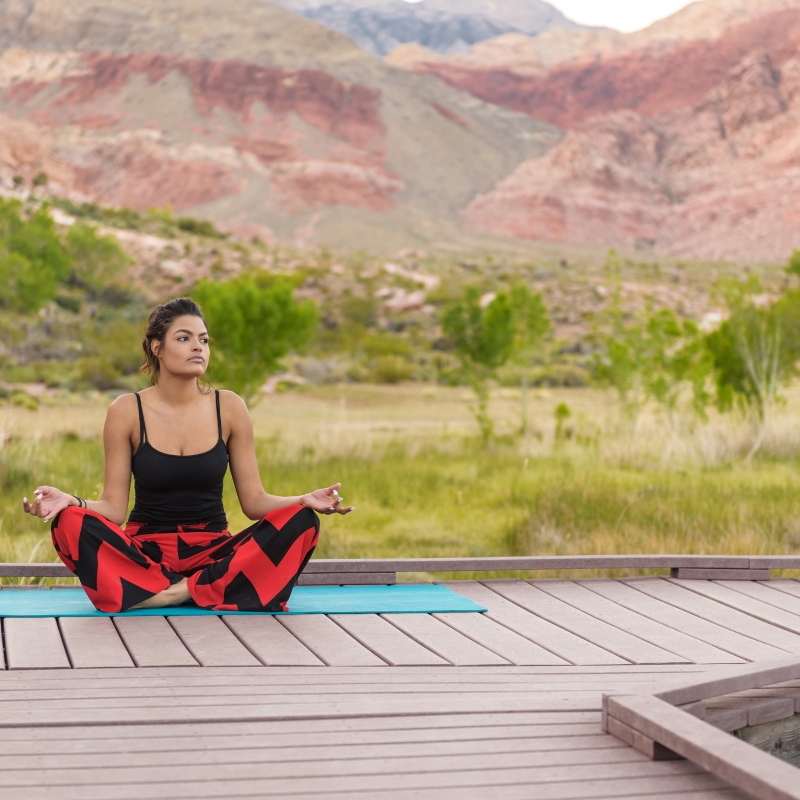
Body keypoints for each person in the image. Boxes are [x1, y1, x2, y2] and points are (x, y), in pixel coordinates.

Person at [21, 297, 353, 613]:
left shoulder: (230, 407)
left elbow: (254, 503)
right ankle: (207, 589)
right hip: (144, 554)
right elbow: (113, 510)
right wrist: (71, 501)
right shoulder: (126, 410)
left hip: (215, 554)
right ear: (157, 347)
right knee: (68, 522)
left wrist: (304, 499)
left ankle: (173, 592)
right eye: (184, 338)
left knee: (302, 520)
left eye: (204, 340)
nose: (198, 347)